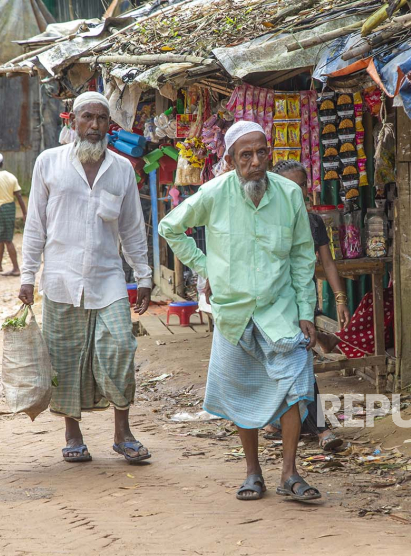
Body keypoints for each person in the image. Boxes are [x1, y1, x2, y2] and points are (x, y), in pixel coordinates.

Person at [159, 121, 321, 502]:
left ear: (270, 153)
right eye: (245, 155)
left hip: (280, 309)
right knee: (241, 391)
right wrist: (207, 268)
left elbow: (301, 255)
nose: (255, 162)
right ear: (230, 160)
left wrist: (307, 311)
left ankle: (290, 472)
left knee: (296, 387)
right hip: (234, 314)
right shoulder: (213, 193)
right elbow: (170, 227)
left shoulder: (289, 194)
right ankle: (253, 472)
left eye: (261, 152)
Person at [19, 91, 153, 464]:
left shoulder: (122, 169)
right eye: (87, 118)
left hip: (108, 277)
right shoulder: (48, 163)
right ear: (72, 121)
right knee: (64, 358)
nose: (94, 126)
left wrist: (143, 275)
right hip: (60, 279)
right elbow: (35, 225)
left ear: (109, 125)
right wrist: (27, 275)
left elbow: (132, 228)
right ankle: (72, 434)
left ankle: (122, 432)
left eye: (101, 119)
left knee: (121, 349)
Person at [264, 160, 349, 452]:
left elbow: (327, 262)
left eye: (301, 185)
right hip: (272, 303)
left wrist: (340, 297)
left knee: (300, 362)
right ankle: (297, 424)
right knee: (284, 363)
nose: (298, 191)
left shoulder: (312, 222)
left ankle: (314, 427)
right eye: (291, 185)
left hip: (301, 303)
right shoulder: (265, 219)